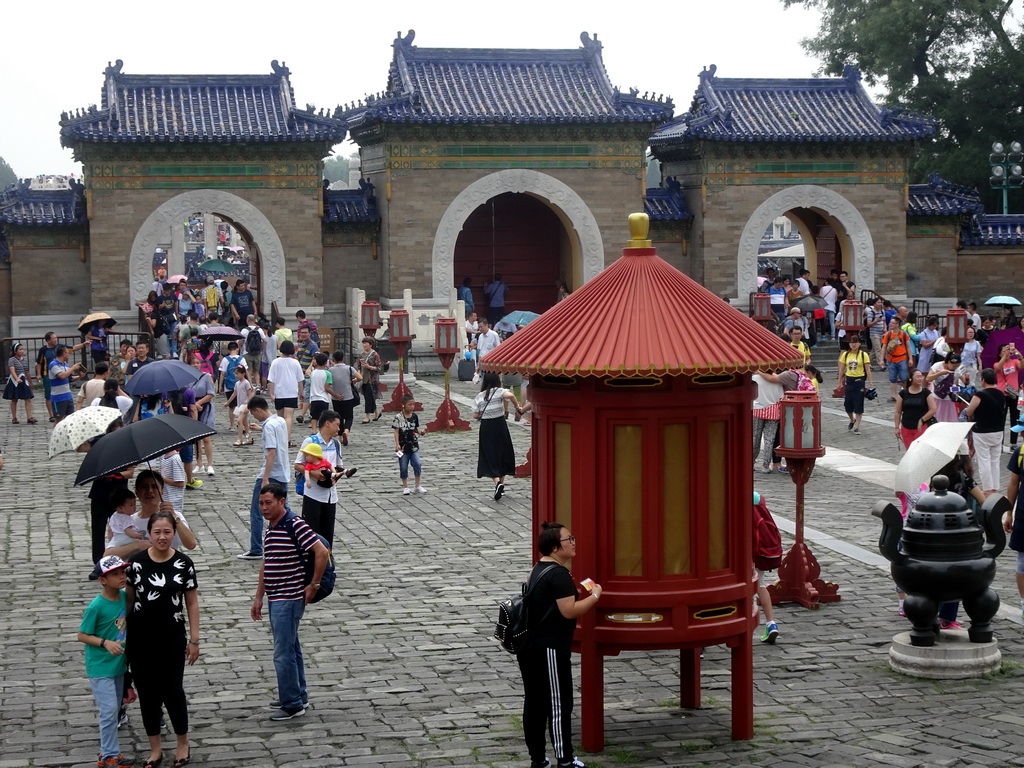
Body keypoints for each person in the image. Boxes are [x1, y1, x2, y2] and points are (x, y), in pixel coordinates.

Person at [516, 522, 600, 768]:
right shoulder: (559, 574)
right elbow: (569, 611)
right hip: (549, 647)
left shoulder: (538, 569)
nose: (573, 542)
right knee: (558, 702)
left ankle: (538, 759)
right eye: (568, 539)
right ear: (555, 547)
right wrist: (595, 595)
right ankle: (565, 760)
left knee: (534, 702)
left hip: (529, 646)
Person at [125, 511, 199, 768]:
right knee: (147, 693)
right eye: (157, 532)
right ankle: (154, 748)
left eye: (167, 532)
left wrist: (195, 639)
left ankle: (182, 742)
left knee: (173, 691)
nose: (162, 537)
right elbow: (129, 600)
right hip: (140, 638)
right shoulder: (135, 563)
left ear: (174, 533)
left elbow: (191, 603)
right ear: (149, 533)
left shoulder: (183, 563)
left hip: (172, 636)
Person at [250, 483, 329, 721]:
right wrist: (259, 596)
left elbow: (321, 552)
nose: (263, 508)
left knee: (282, 652)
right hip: (276, 597)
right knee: (292, 649)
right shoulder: (272, 528)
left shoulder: (294, 524)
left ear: (282, 502)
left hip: (289, 597)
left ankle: (292, 703)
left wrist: (313, 584)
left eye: (268, 503)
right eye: (261, 503)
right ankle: (297, 694)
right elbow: (268, 563)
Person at [77, 554, 132, 768]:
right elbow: (82, 635)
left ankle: (110, 752)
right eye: (115, 574)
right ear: (102, 580)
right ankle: (108, 754)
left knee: (115, 709)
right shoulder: (96, 606)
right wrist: (105, 643)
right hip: (100, 667)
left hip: (118, 665)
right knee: (109, 710)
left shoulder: (123, 597)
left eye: (122, 572)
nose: (121, 577)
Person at [237, 397, 292, 560]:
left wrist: (265, 478)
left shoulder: (269, 426)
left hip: (271, 473)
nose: (254, 417)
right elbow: (277, 436)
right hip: (283, 472)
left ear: (258, 410)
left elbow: (271, 452)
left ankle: (256, 548)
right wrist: (261, 428)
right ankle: (291, 541)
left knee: (257, 510)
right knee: (284, 511)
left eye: (254, 414)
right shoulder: (280, 420)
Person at [293, 411, 354, 547]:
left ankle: (326, 564)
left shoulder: (336, 444)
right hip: (313, 495)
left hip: (330, 495)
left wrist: (336, 478)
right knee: (311, 536)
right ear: (327, 423)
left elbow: (338, 467)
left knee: (327, 535)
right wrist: (314, 474)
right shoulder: (310, 442)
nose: (339, 428)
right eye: (337, 425)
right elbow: (297, 465)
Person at [472, 371, 520, 500]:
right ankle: (501, 484)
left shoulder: (480, 396)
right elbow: (510, 395)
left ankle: (497, 482)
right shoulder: (499, 391)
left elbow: (475, 415)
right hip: (500, 425)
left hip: (486, 427)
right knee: (503, 452)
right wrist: (517, 406)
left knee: (489, 454)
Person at [966, 369, 1008, 496]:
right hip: (998, 431)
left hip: (982, 431)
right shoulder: (1001, 394)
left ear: (983, 380)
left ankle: (988, 488)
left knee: (984, 460)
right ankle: (995, 487)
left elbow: (969, 412)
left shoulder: (979, 395)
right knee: (995, 460)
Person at [752, 493, 779, 644]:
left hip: (743, 552)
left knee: (745, 590)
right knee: (760, 585)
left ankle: (747, 625)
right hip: (760, 551)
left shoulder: (731, 495)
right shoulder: (758, 497)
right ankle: (771, 623)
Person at [268, 340, 304, 446]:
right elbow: (300, 380)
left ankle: (280, 440)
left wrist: (271, 393)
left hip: (279, 393)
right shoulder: (295, 362)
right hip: (291, 392)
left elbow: (272, 380)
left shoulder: (275, 362)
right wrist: (301, 392)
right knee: (289, 417)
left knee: (280, 418)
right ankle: (287, 440)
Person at [189, 354, 216, 477]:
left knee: (206, 438)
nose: (195, 365)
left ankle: (210, 464)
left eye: (197, 363)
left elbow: (211, 394)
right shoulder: (187, 379)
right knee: (196, 438)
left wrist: (198, 403)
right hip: (193, 408)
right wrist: (193, 404)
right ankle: (199, 464)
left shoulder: (207, 377)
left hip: (205, 407)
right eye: (193, 363)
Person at [894, 369, 936, 448]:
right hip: (906, 427)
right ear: (911, 378)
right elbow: (898, 412)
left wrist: (922, 419)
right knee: (909, 451)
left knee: (919, 449)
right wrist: (897, 427)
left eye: (921, 376)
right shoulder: (903, 393)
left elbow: (933, 409)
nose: (920, 378)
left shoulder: (926, 393)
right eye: (917, 377)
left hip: (921, 427)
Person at [393, 393, 426, 494]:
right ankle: (405, 486)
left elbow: (414, 428)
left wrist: (419, 432)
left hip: (413, 445)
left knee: (417, 464)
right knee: (403, 466)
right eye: (410, 405)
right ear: (403, 405)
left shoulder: (414, 416)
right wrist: (397, 444)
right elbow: (396, 431)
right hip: (403, 447)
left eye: (413, 405)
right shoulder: (398, 417)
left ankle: (417, 485)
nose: (412, 407)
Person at [839, 336, 872, 434]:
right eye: (852, 342)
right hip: (849, 380)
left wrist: (870, 383)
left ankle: (857, 426)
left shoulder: (863, 355)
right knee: (847, 404)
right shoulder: (845, 355)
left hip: (859, 381)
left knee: (858, 403)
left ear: (859, 344)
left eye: (856, 342)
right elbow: (841, 369)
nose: (854, 344)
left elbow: (868, 370)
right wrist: (839, 382)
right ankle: (852, 419)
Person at [327, 350, 361, 444]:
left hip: (336, 397)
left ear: (333, 359)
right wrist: (354, 380)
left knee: (339, 417)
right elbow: (360, 377)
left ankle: (341, 437)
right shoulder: (349, 368)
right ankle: (346, 431)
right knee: (349, 417)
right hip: (348, 396)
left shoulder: (330, 370)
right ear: (343, 358)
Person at [752, 372, 782, 474]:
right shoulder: (777, 379)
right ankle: (765, 465)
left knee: (755, 437)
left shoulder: (754, 378)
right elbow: (781, 397)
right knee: (769, 439)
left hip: (757, 409)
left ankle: (751, 462)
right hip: (773, 411)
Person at [996, 342, 1024, 448]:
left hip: (1013, 393)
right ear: (999, 354)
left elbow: (1022, 365)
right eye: (1004, 351)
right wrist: (1005, 357)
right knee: (1001, 419)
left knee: (1014, 418)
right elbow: (998, 368)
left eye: (1007, 350)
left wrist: (1018, 354)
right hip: (1002, 394)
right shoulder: (997, 363)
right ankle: (1000, 443)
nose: (1006, 352)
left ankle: (1013, 442)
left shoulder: (1014, 362)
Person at [49, 345, 86, 423]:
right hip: (58, 396)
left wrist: (79, 376)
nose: (69, 355)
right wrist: (73, 368)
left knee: (70, 418)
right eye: (68, 353)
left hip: (67, 395)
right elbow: (62, 376)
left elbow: (69, 378)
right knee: (59, 419)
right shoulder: (53, 364)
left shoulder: (66, 365)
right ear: (64, 354)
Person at [5, 341, 36, 424]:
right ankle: (14, 417)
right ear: (15, 351)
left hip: (23, 380)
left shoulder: (24, 360)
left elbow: (27, 371)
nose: (22, 351)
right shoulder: (12, 360)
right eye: (20, 349)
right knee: (14, 399)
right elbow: (12, 370)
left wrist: (30, 381)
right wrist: (16, 378)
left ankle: (29, 417)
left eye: (22, 349)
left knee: (28, 398)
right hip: (15, 381)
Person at [881, 318, 912, 402]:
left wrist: (910, 359)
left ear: (898, 324)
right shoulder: (888, 335)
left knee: (904, 377)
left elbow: (908, 347)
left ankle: (906, 393)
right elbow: (884, 348)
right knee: (892, 378)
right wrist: (882, 359)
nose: (891, 324)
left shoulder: (904, 334)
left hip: (902, 358)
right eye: (890, 323)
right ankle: (894, 395)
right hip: (891, 359)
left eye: (893, 323)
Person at [294, 325, 319, 424]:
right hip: (301, 374)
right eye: (302, 332)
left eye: (305, 332)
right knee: (306, 395)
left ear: (310, 333)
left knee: (306, 394)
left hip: (309, 375)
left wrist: (309, 368)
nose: (303, 334)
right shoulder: (301, 345)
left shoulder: (313, 345)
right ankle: (314, 415)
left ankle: (301, 415)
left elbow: (315, 359)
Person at [226, 364, 254, 446]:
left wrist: (248, 406)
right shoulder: (237, 383)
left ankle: (239, 438)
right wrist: (228, 402)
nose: (236, 375)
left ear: (243, 374)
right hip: (239, 405)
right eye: (235, 373)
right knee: (245, 423)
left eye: (237, 373)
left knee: (239, 421)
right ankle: (249, 438)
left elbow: (249, 395)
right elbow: (234, 394)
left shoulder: (246, 383)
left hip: (245, 405)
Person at [358, 337, 383, 423]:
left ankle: (367, 416)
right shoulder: (361, 354)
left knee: (369, 397)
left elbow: (379, 368)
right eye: (363, 343)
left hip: (372, 379)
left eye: (366, 343)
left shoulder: (375, 354)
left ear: (371, 344)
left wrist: (369, 367)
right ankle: (377, 412)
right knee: (369, 397)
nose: (364, 345)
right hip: (363, 378)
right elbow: (358, 366)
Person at [307, 353, 333, 430]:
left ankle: (314, 431)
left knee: (314, 416)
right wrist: (336, 395)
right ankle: (322, 431)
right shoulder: (328, 373)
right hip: (324, 398)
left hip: (313, 398)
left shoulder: (313, 373)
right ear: (326, 362)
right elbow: (327, 388)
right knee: (324, 417)